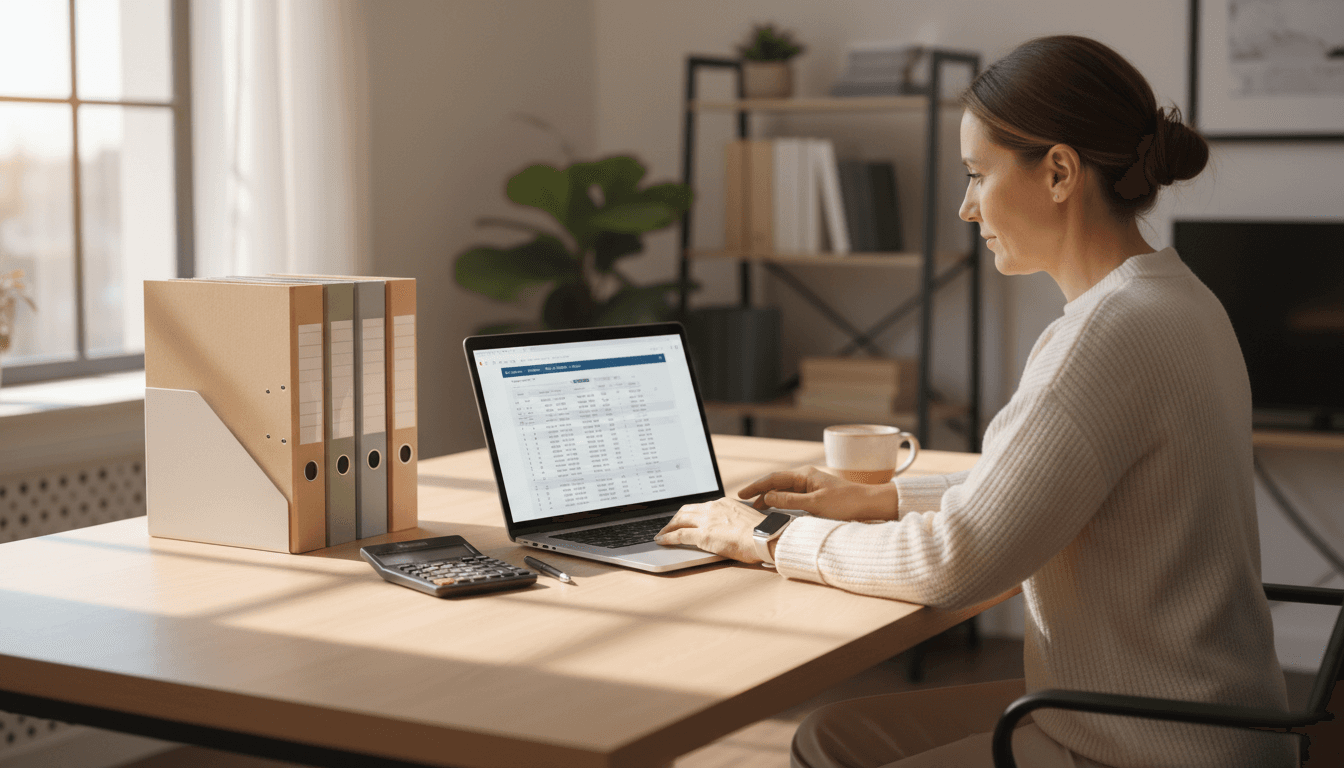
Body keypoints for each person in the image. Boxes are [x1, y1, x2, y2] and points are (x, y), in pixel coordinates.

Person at [654, 34, 1297, 768]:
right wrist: (883, 499)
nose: (966, 207)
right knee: (828, 738)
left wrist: (768, 537)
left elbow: (955, 564)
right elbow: (1051, 483)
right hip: (1208, 723)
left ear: (1059, 172)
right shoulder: (1179, 299)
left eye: (977, 174)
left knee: (827, 747)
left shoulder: (1103, 338)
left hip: (1139, 743)